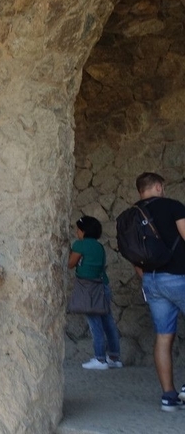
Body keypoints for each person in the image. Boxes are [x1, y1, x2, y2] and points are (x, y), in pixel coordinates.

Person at [132, 172, 185, 411]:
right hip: (178, 277)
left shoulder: (131, 215)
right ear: (157, 186)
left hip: (151, 281)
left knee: (163, 337)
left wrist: (147, 278)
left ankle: (168, 397)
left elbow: (132, 252)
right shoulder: (173, 206)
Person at [68, 216, 122, 370]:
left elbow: (70, 264)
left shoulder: (80, 244)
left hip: (88, 288)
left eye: (78, 229)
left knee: (94, 323)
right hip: (102, 285)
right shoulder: (99, 246)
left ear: (83, 231)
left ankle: (100, 358)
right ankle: (114, 357)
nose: (77, 232)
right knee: (108, 321)